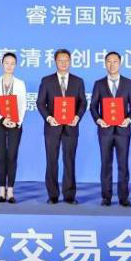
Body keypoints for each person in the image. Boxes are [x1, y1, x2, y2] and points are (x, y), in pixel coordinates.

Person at [36, 49, 87, 204]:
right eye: (60, 60)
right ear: (55, 62)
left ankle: (70, 195)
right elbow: (40, 103)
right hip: (52, 127)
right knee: (51, 160)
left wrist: (77, 117)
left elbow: (83, 103)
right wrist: (49, 118)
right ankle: (52, 195)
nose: (63, 63)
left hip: (71, 127)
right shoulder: (47, 81)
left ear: (70, 62)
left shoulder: (78, 81)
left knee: (69, 160)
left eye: (66, 60)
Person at [89, 51, 131, 207]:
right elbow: (93, 106)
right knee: (106, 164)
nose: (112, 64)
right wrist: (99, 120)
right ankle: (106, 197)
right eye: (109, 61)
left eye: (115, 61)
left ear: (120, 63)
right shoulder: (99, 84)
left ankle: (124, 198)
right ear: (105, 64)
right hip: (105, 131)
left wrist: (128, 120)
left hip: (123, 131)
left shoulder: (129, 83)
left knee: (123, 164)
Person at [0, 52, 27, 204]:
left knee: (12, 156)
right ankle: (2, 190)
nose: (9, 66)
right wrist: (1, 119)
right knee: (1, 156)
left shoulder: (20, 83)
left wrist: (17, 121)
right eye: (7, 63)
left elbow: (23, 105)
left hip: (15, 124)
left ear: (16, 65)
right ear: (2, 64)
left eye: (12, 63)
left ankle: (11, 191)